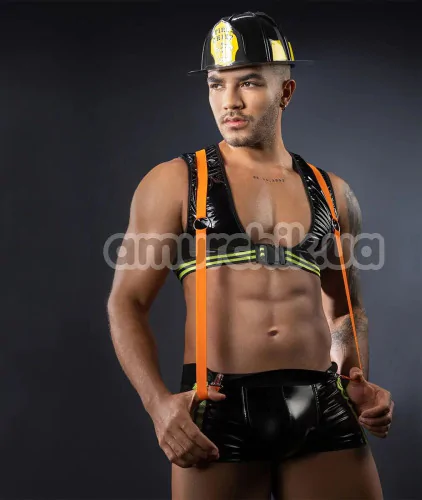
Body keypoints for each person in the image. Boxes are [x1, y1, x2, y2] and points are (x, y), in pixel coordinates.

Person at [107, 11, 394, 500]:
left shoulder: (333, 193)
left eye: (249, 83)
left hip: (322, 404)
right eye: (216, 85)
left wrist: (355, 379)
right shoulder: (177, 182)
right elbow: (126, 303)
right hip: (219, 407)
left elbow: (345, 310)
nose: (230, 101)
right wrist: (158, 405)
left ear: (286, 92)